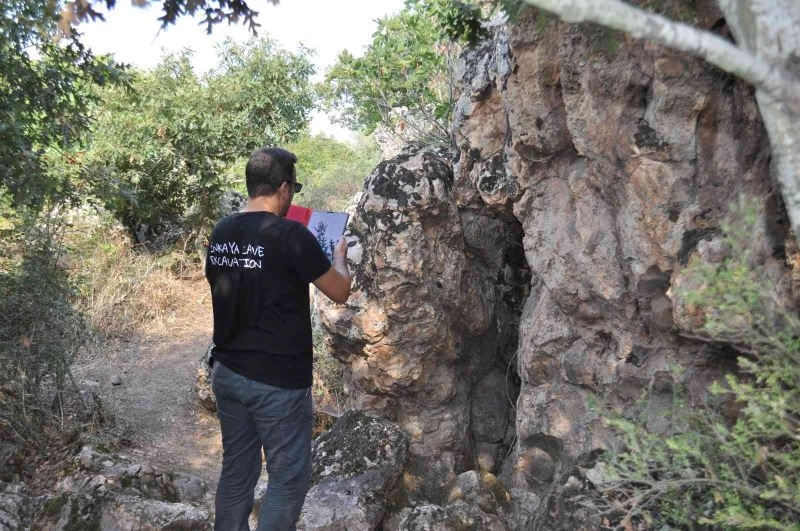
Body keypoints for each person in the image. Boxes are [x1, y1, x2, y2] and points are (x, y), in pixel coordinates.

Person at [205, 147, 351, 530]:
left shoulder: (221, 232)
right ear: (284, 188)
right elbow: (339, 291)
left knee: (237, 471)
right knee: (288, 478)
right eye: (295, 188)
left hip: (228, 372)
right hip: (278, 382)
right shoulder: (292, 235)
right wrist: (339, 259)